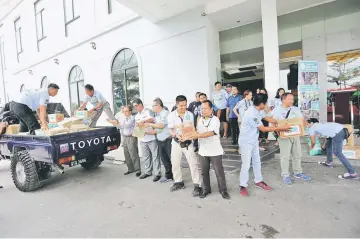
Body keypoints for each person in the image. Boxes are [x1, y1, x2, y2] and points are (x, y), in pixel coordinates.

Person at [238, 93, 291, 197]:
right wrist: (280, 128)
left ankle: (258, 181)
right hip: (245, 142)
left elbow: (267, 118)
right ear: (261, 103)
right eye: (266, 102)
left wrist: (280, 122)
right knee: (246, 164)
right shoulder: (251, 114)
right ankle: (242, 185)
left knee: (257, 161)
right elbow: (263, 129)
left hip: (253, 140)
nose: (266, 104)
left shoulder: (259, 110)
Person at [189, 100, 229, 199]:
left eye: (205, 108)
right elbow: (196, 132)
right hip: (203, 151)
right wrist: (189, 135)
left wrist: (197, 135)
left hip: (215, 151)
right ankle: (206, 189)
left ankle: (223, 190)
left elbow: (211, 133)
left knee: (218, 171)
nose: (203, 110)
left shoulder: (215, 120)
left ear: (211, 109)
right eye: (202, 109)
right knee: (203, 171)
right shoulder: (200, 120)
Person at [269, 93, 312, 185]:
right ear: (283, 99)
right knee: (285, 156)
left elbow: (301, 120)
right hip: (284, 137)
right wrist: (277, 133)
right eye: (290, 99)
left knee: (297, 154)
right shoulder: (276, 111)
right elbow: (272, 124)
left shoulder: (295, 109)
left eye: (293, 99)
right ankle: (285, 175)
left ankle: (298, 172)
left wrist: (302, 129)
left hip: (295, 135)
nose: (292, 101)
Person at [167, 95, 202, 197]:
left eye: (185, 105)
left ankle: (197, 185)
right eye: (181, 105)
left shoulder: (189, 114)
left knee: (193, 164)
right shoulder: (171, 115)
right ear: (176, 104)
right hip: (176, 142)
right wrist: (175, 134)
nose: (183, 107)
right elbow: (170, 129)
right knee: (175, 163)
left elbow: (192, 128)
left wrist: (188, 135)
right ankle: (178, 182)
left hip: (188, 143)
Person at [144, 98, 173, 183]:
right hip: (160, 140)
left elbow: (161, 126)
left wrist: (149, 124)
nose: (152, 107)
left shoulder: (166, 113)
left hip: (168, 140)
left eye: (153, 106)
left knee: (171, 159)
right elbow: (157, 130)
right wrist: (146, 132)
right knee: (164, 160)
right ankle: (169, 176)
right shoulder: (157, 115)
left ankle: (177, 178)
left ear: (158, 105)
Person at [133, 98, 161, 182]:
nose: (135, 108)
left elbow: (153, 119)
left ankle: (157, 173)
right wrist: (137, 133)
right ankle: (148, 171)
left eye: (136, 105)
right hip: (142, 139)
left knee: (155, 156)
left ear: (141, 104)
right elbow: (137, 126)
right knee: (145, 157)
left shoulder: (148, 111)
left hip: (152, 138)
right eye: (134, 106)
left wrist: (144, 121)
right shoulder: (136, 116)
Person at [108, 106, 141, 176]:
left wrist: (116, 122)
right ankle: (130, 169)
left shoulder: (132, 118)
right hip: (125, 137)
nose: (124, 113)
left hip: (131, 137)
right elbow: (121, 127)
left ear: (130, 112)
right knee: (127, 154)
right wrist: (114, 123)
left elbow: (126, 125)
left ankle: (138, 170)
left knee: (133, 154)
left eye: (126, 111)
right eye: (124, 111)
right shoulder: (125, 119)